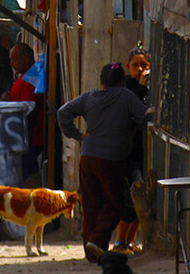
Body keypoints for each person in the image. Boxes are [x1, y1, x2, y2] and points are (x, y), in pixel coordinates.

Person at [57, 62, 147, 262]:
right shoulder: (126, 96)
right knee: (115, 204)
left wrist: (78, 135)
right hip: (112, 159)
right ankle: (97, 242)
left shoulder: (89, 97)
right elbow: (142, 118)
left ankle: (91, 253)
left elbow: (63, 113)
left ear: (101, 81)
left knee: (91, 204)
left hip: (88, 158)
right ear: (122, 81)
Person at [114, 44, 150, 254]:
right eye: (135, 65)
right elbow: (131, 110)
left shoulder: (149, 86)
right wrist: (141, 86)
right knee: (132, 198)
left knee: (142, 199)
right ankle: (120, 242)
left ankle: (129, 242)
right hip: (130, 153)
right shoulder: (126, 88)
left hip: (146, 151)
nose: (139, 69)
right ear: (128, 67)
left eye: (143, 65)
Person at [8, 43, 44, 183]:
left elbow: (27, 109)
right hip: (24, 135)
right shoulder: (28, 76)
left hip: (29, 136)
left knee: (28, 175)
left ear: (27, 59)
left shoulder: (31, 79)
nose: (12, 64)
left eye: (15, 60)